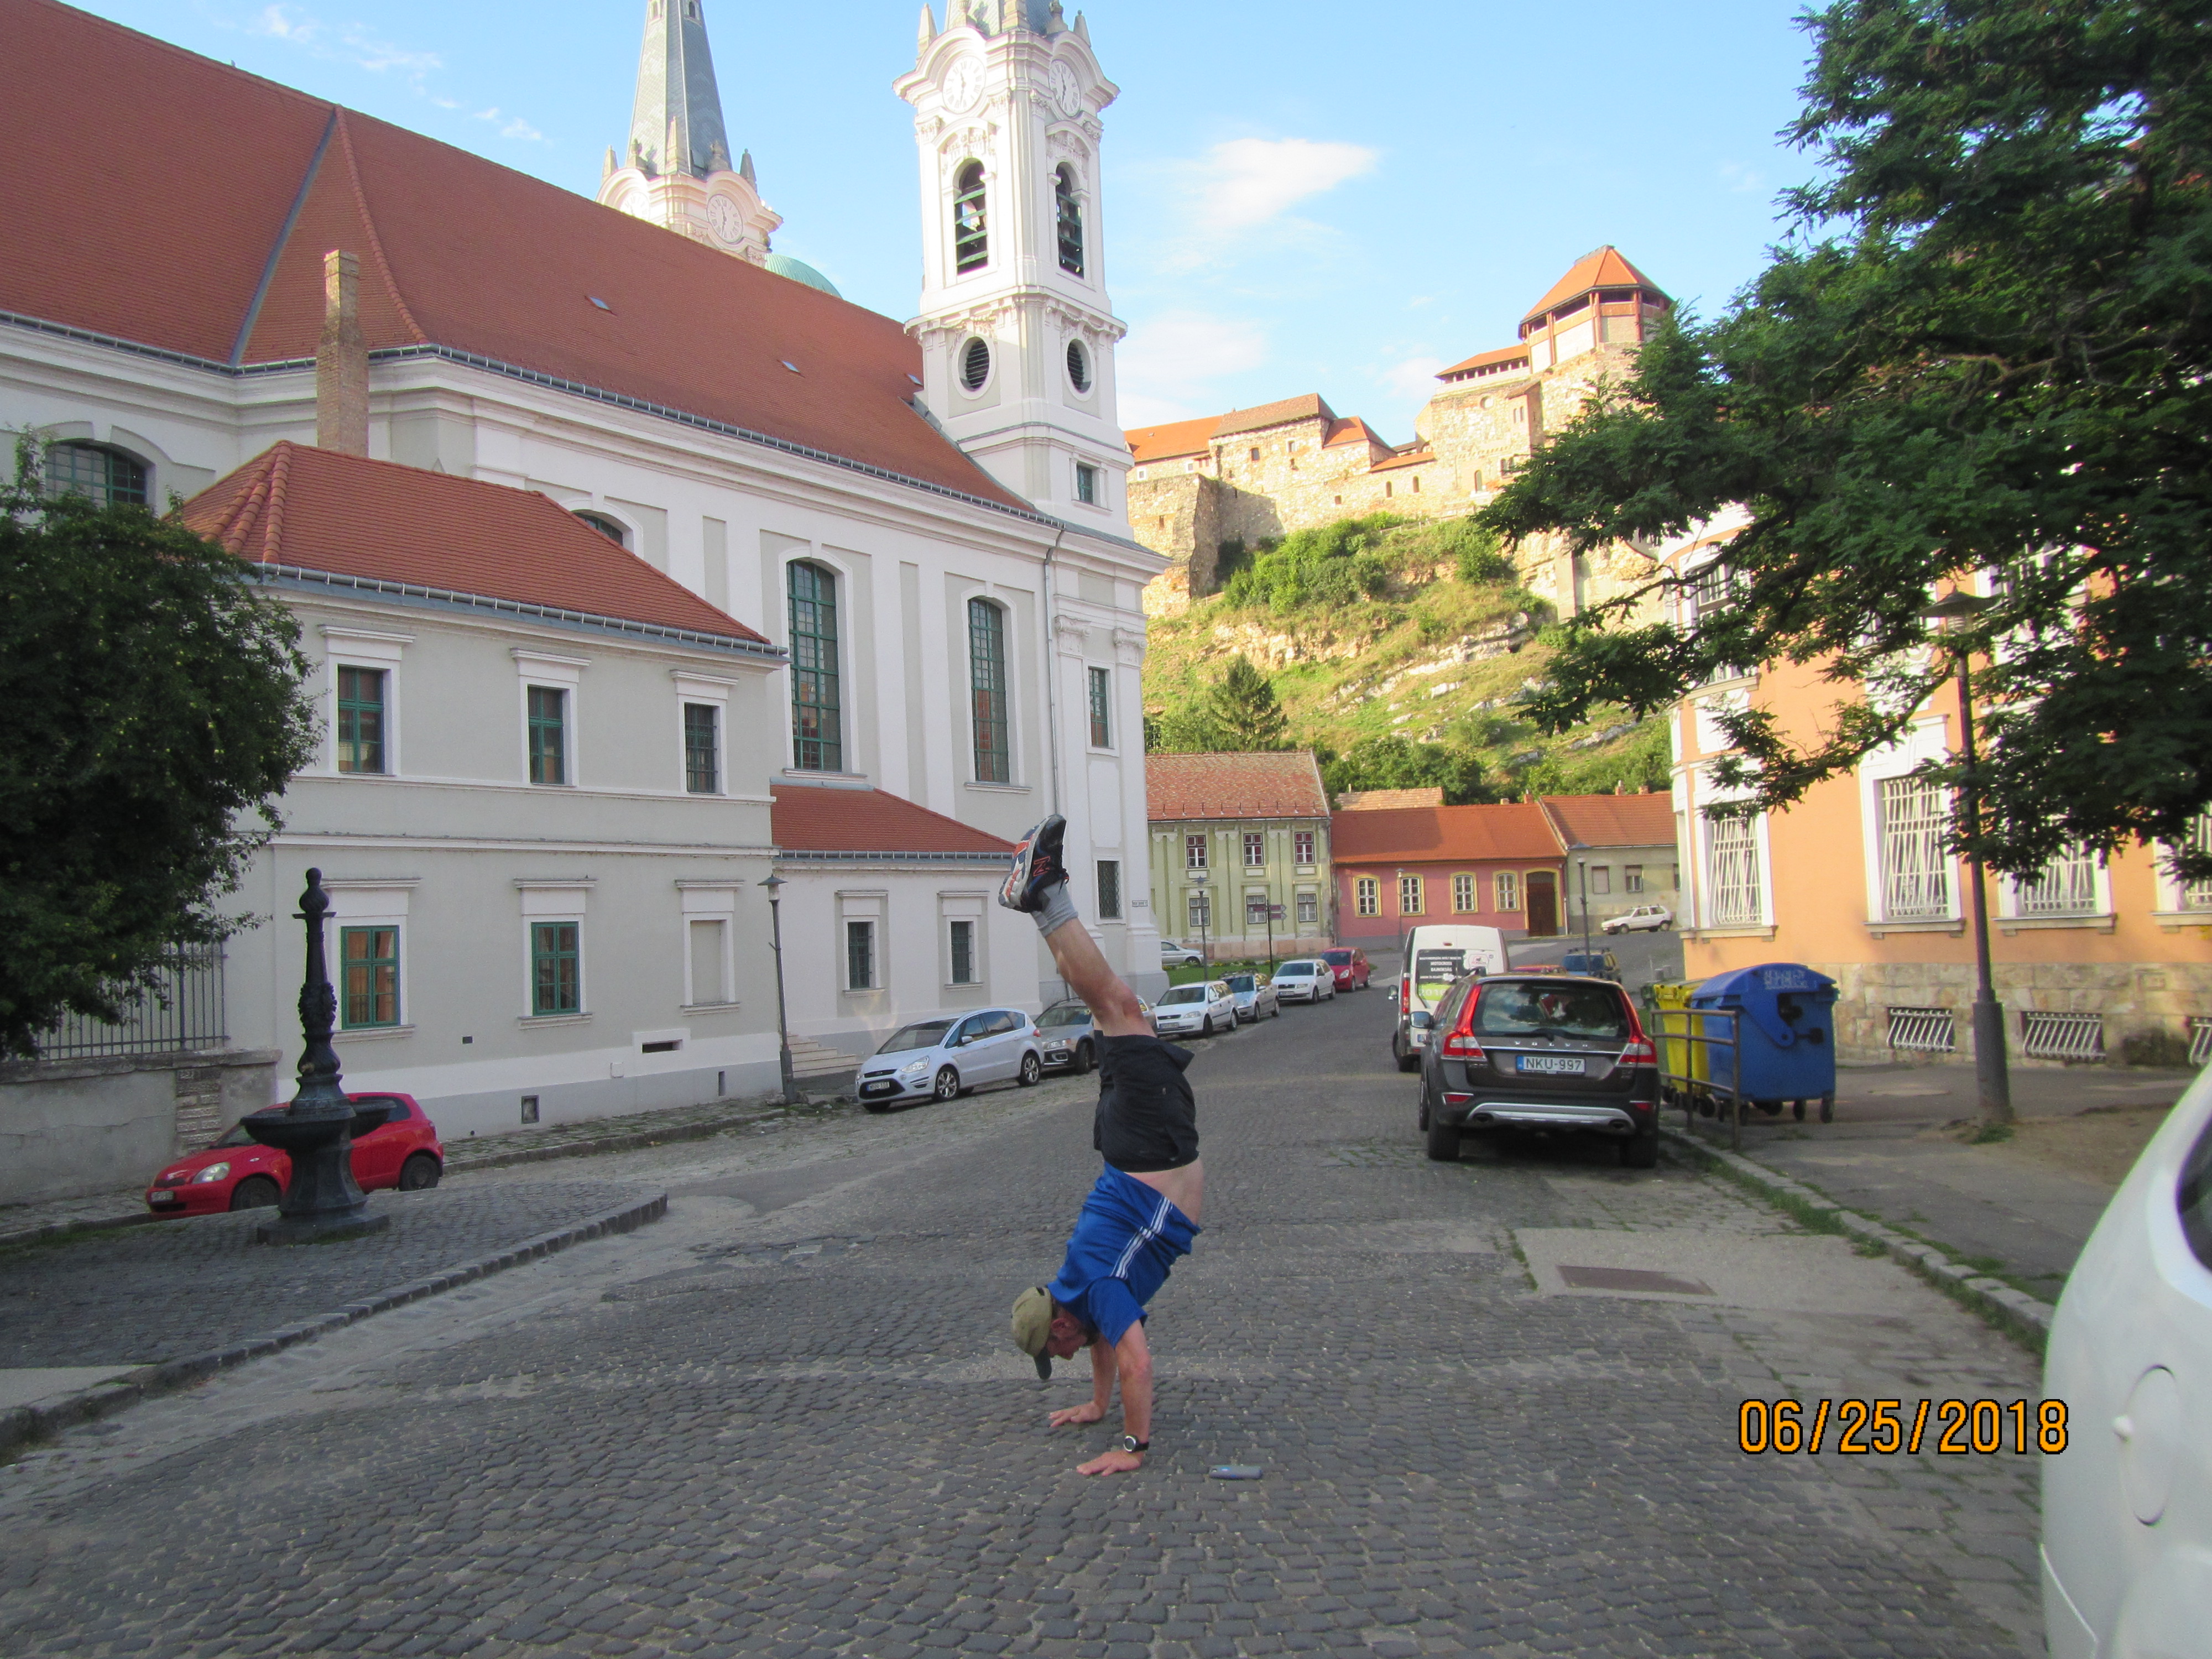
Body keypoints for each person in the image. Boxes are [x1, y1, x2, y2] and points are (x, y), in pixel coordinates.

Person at [1000, 813, 1203, 1476]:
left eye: (1051, 1354)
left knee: (1118, 1006)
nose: (1058, 1358)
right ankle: (1042, 900)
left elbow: (1135, 1359)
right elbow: (1103, 1343)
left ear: (1059, 1326)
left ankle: (1045, 895)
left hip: (1150, 1147)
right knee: (1109, 1008)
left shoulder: (1098, 1291)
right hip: (1127, 1147)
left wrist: (1130, 1448)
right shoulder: (1079, 1293)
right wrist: (1096, 1404)